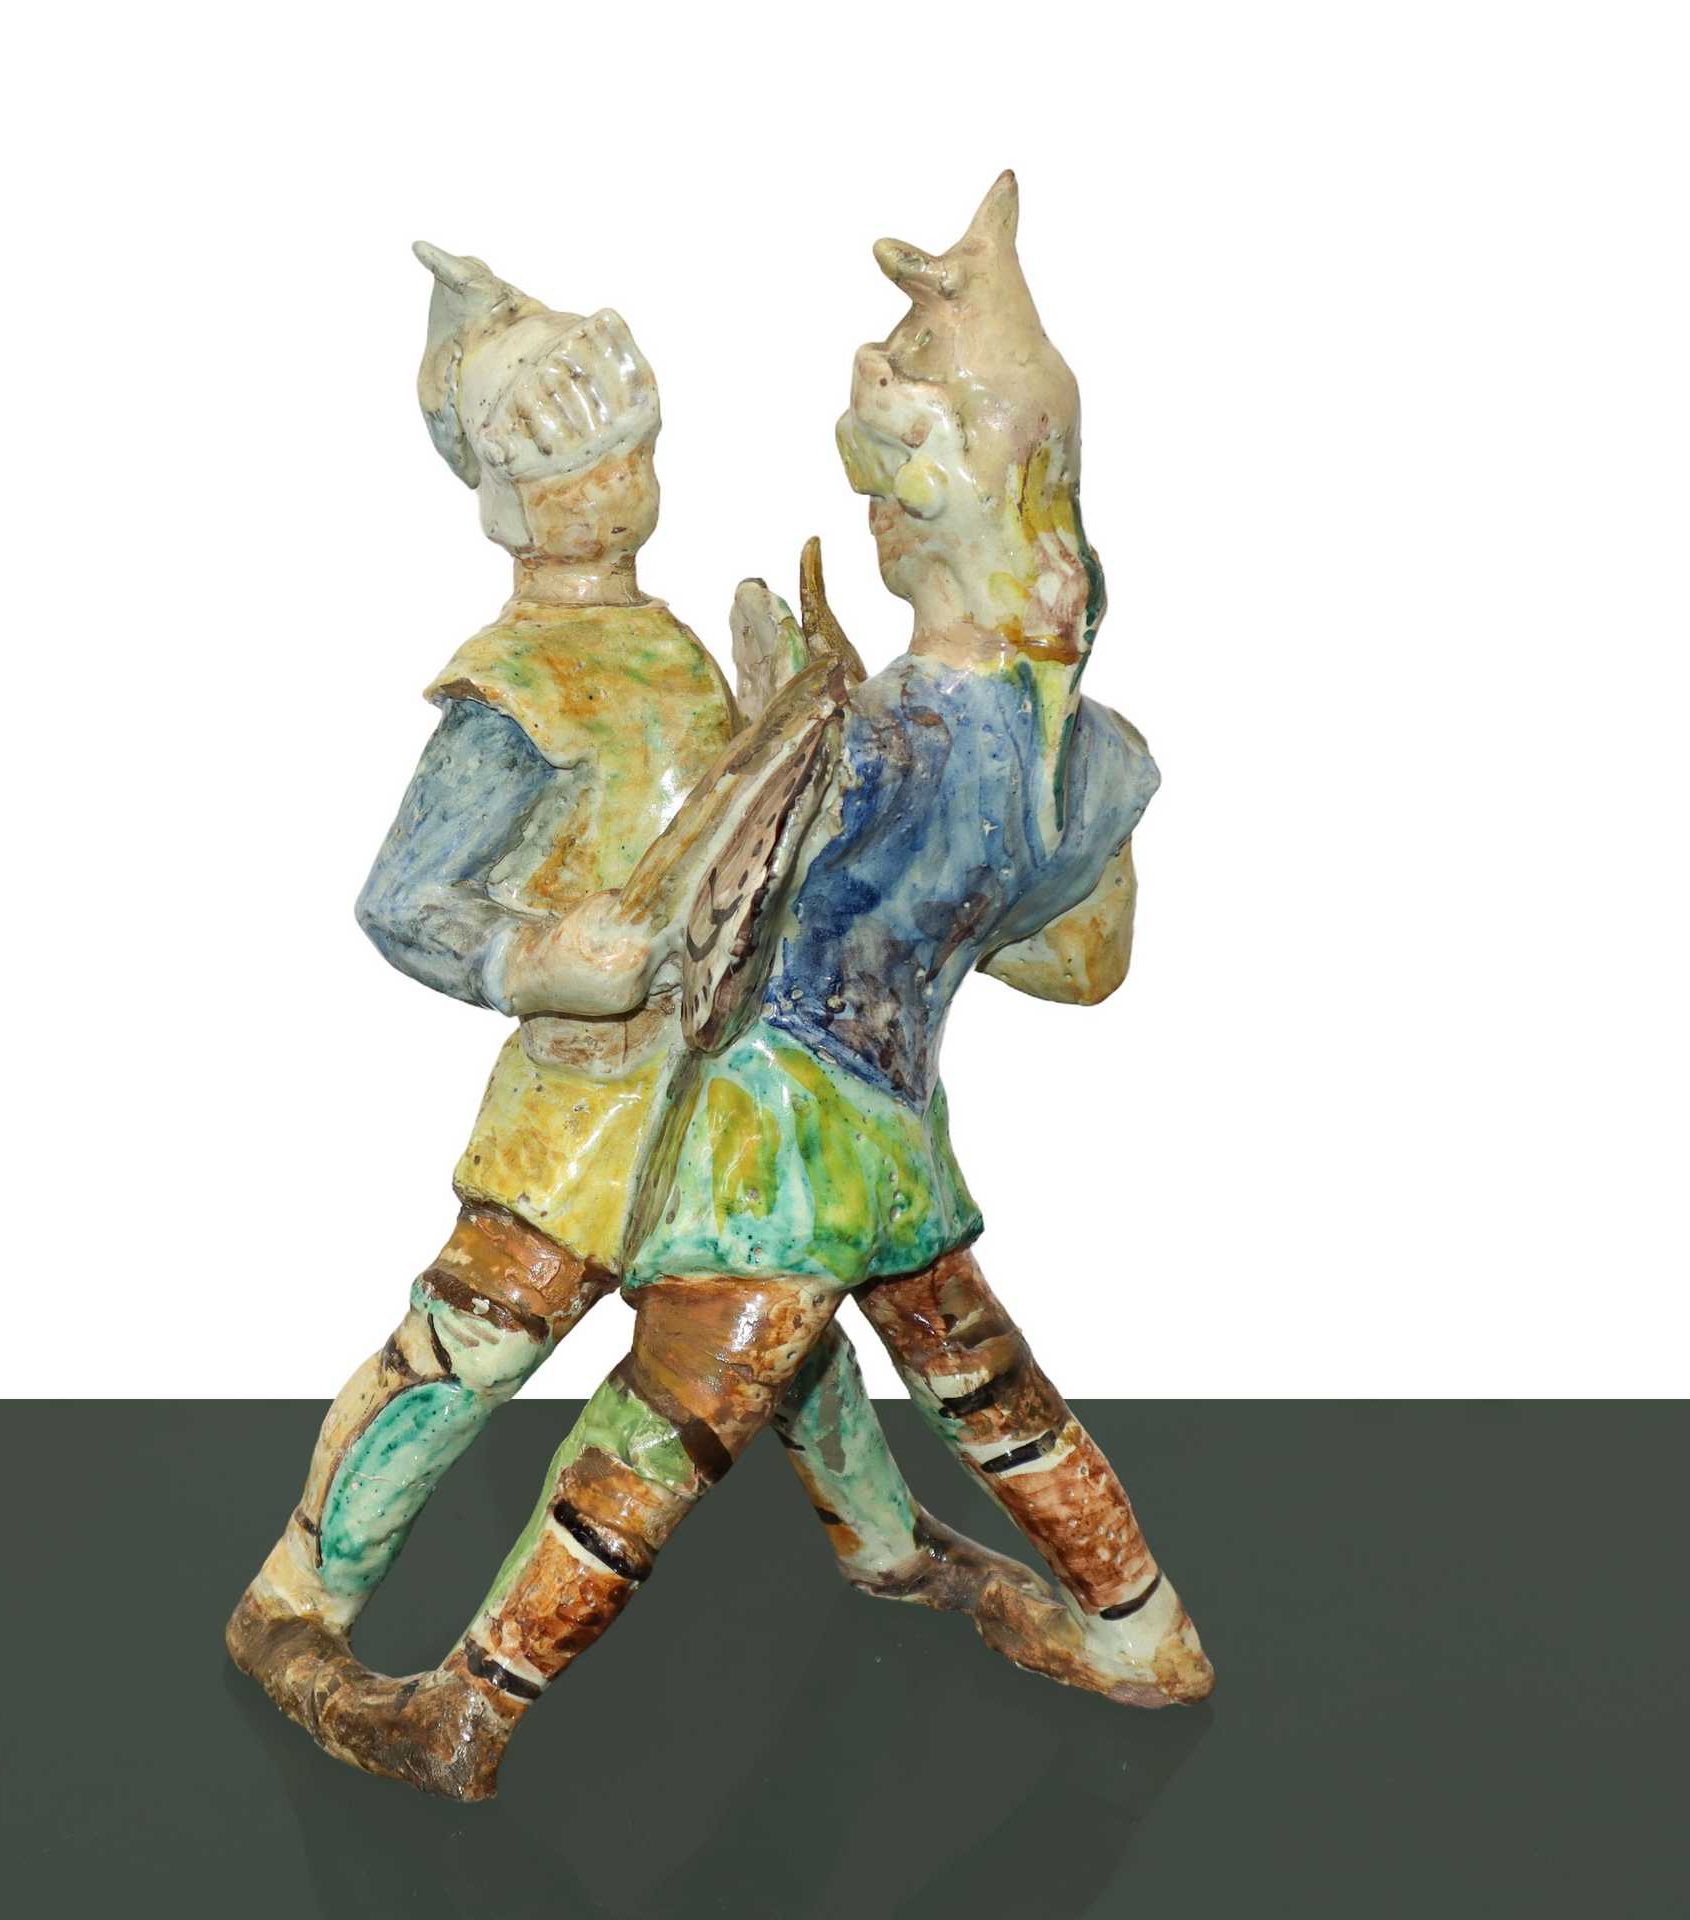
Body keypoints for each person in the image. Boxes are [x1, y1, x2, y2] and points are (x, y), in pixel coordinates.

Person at [337, 175, 1215, 1803]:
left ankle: (468, 1708)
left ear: (929, 517)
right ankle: (1122, 1619)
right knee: (977, 1379)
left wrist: (774, 753)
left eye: (886, 507)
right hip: (899, 1121)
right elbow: (1082, 965)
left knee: (665, 1426)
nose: (873, 530)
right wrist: (938, 913)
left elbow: (736, 920)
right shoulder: (1087, 747)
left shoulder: (881, 743)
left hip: (780, 1149)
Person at [226, 241, 1052, 1772]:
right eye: (578, 471)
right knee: (463, 1358)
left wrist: (788, 729)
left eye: (633, 458)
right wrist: (546, 957)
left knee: (787, 1324)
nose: (617, 492)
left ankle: (880, 1543)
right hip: (573, 1115)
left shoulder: (658, 643)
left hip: (707, 1092)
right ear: (508, 503)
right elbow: (405, 901)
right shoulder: (515, 686)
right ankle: (294, 1600)